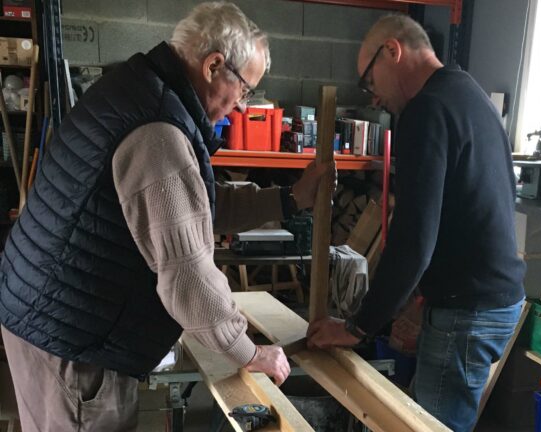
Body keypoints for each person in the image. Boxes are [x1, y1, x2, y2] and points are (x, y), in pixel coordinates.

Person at [0, 3, 332, 430]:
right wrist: (249, 352)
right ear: (214, 65)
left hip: (44, 317)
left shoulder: (137, 91)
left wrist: (288, 199)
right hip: (75, 346)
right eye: (246, 90)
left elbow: (191, 205)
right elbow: (188, 278)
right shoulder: (158, 133)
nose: (242, 108)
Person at [306, 15, 527, 431]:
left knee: (429, 427)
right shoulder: (465, 92)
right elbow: (461, 210)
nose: (373, 98)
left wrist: (357, 327)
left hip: (470, 307)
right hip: (492, 298)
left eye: (369, 82)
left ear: (392, 51)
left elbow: (413, 237)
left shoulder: (427, 110)